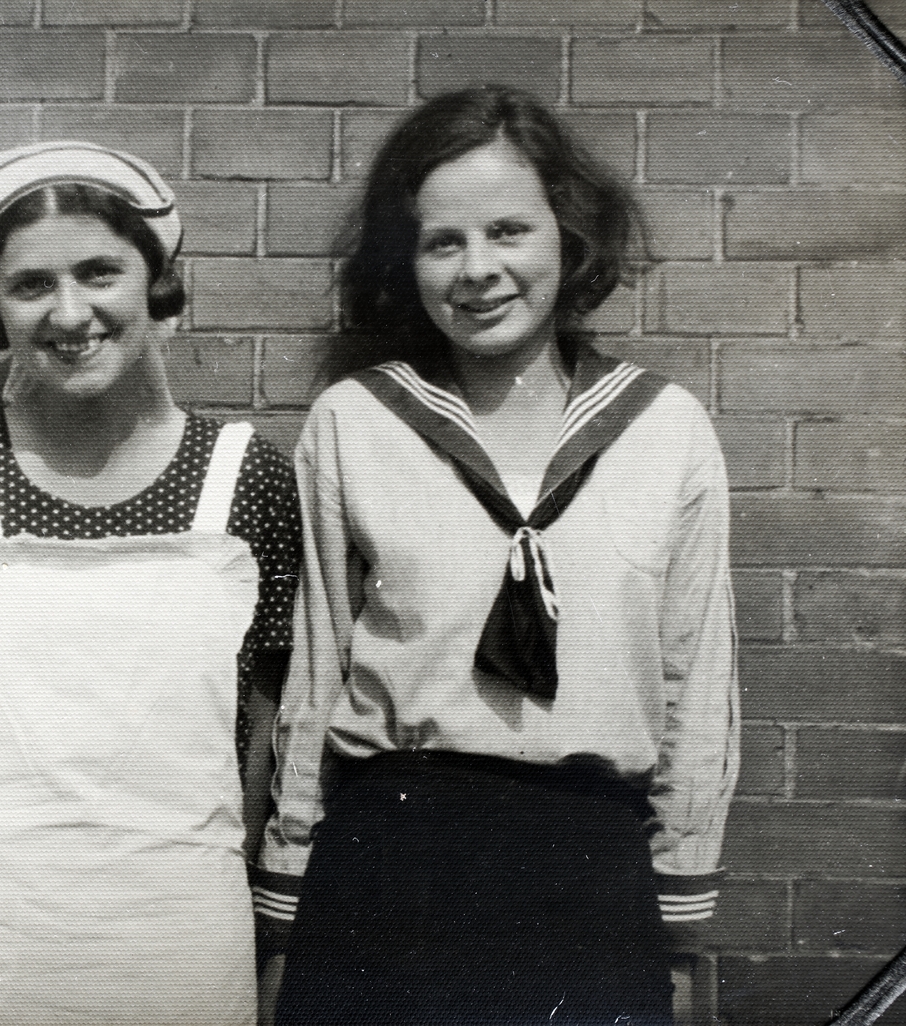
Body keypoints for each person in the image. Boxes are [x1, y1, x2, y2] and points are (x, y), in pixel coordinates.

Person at [255, 86, 740, 1026]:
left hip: (586, 867)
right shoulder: (355, 422)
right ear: (410, 260)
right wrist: (288, 894)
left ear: (569, 235)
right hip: (391, 859)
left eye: (510, 230)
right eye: (445, 242)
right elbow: (315, 680)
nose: (479, 270)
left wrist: (678, 900)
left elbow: (698, 679)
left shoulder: (666, 430)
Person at [0, 140, 301, 1026]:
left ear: (155, 278)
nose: (72, 312)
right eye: (31, 286)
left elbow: (260, 721)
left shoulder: (244, 476)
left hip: (173, 942)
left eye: (100, 271)